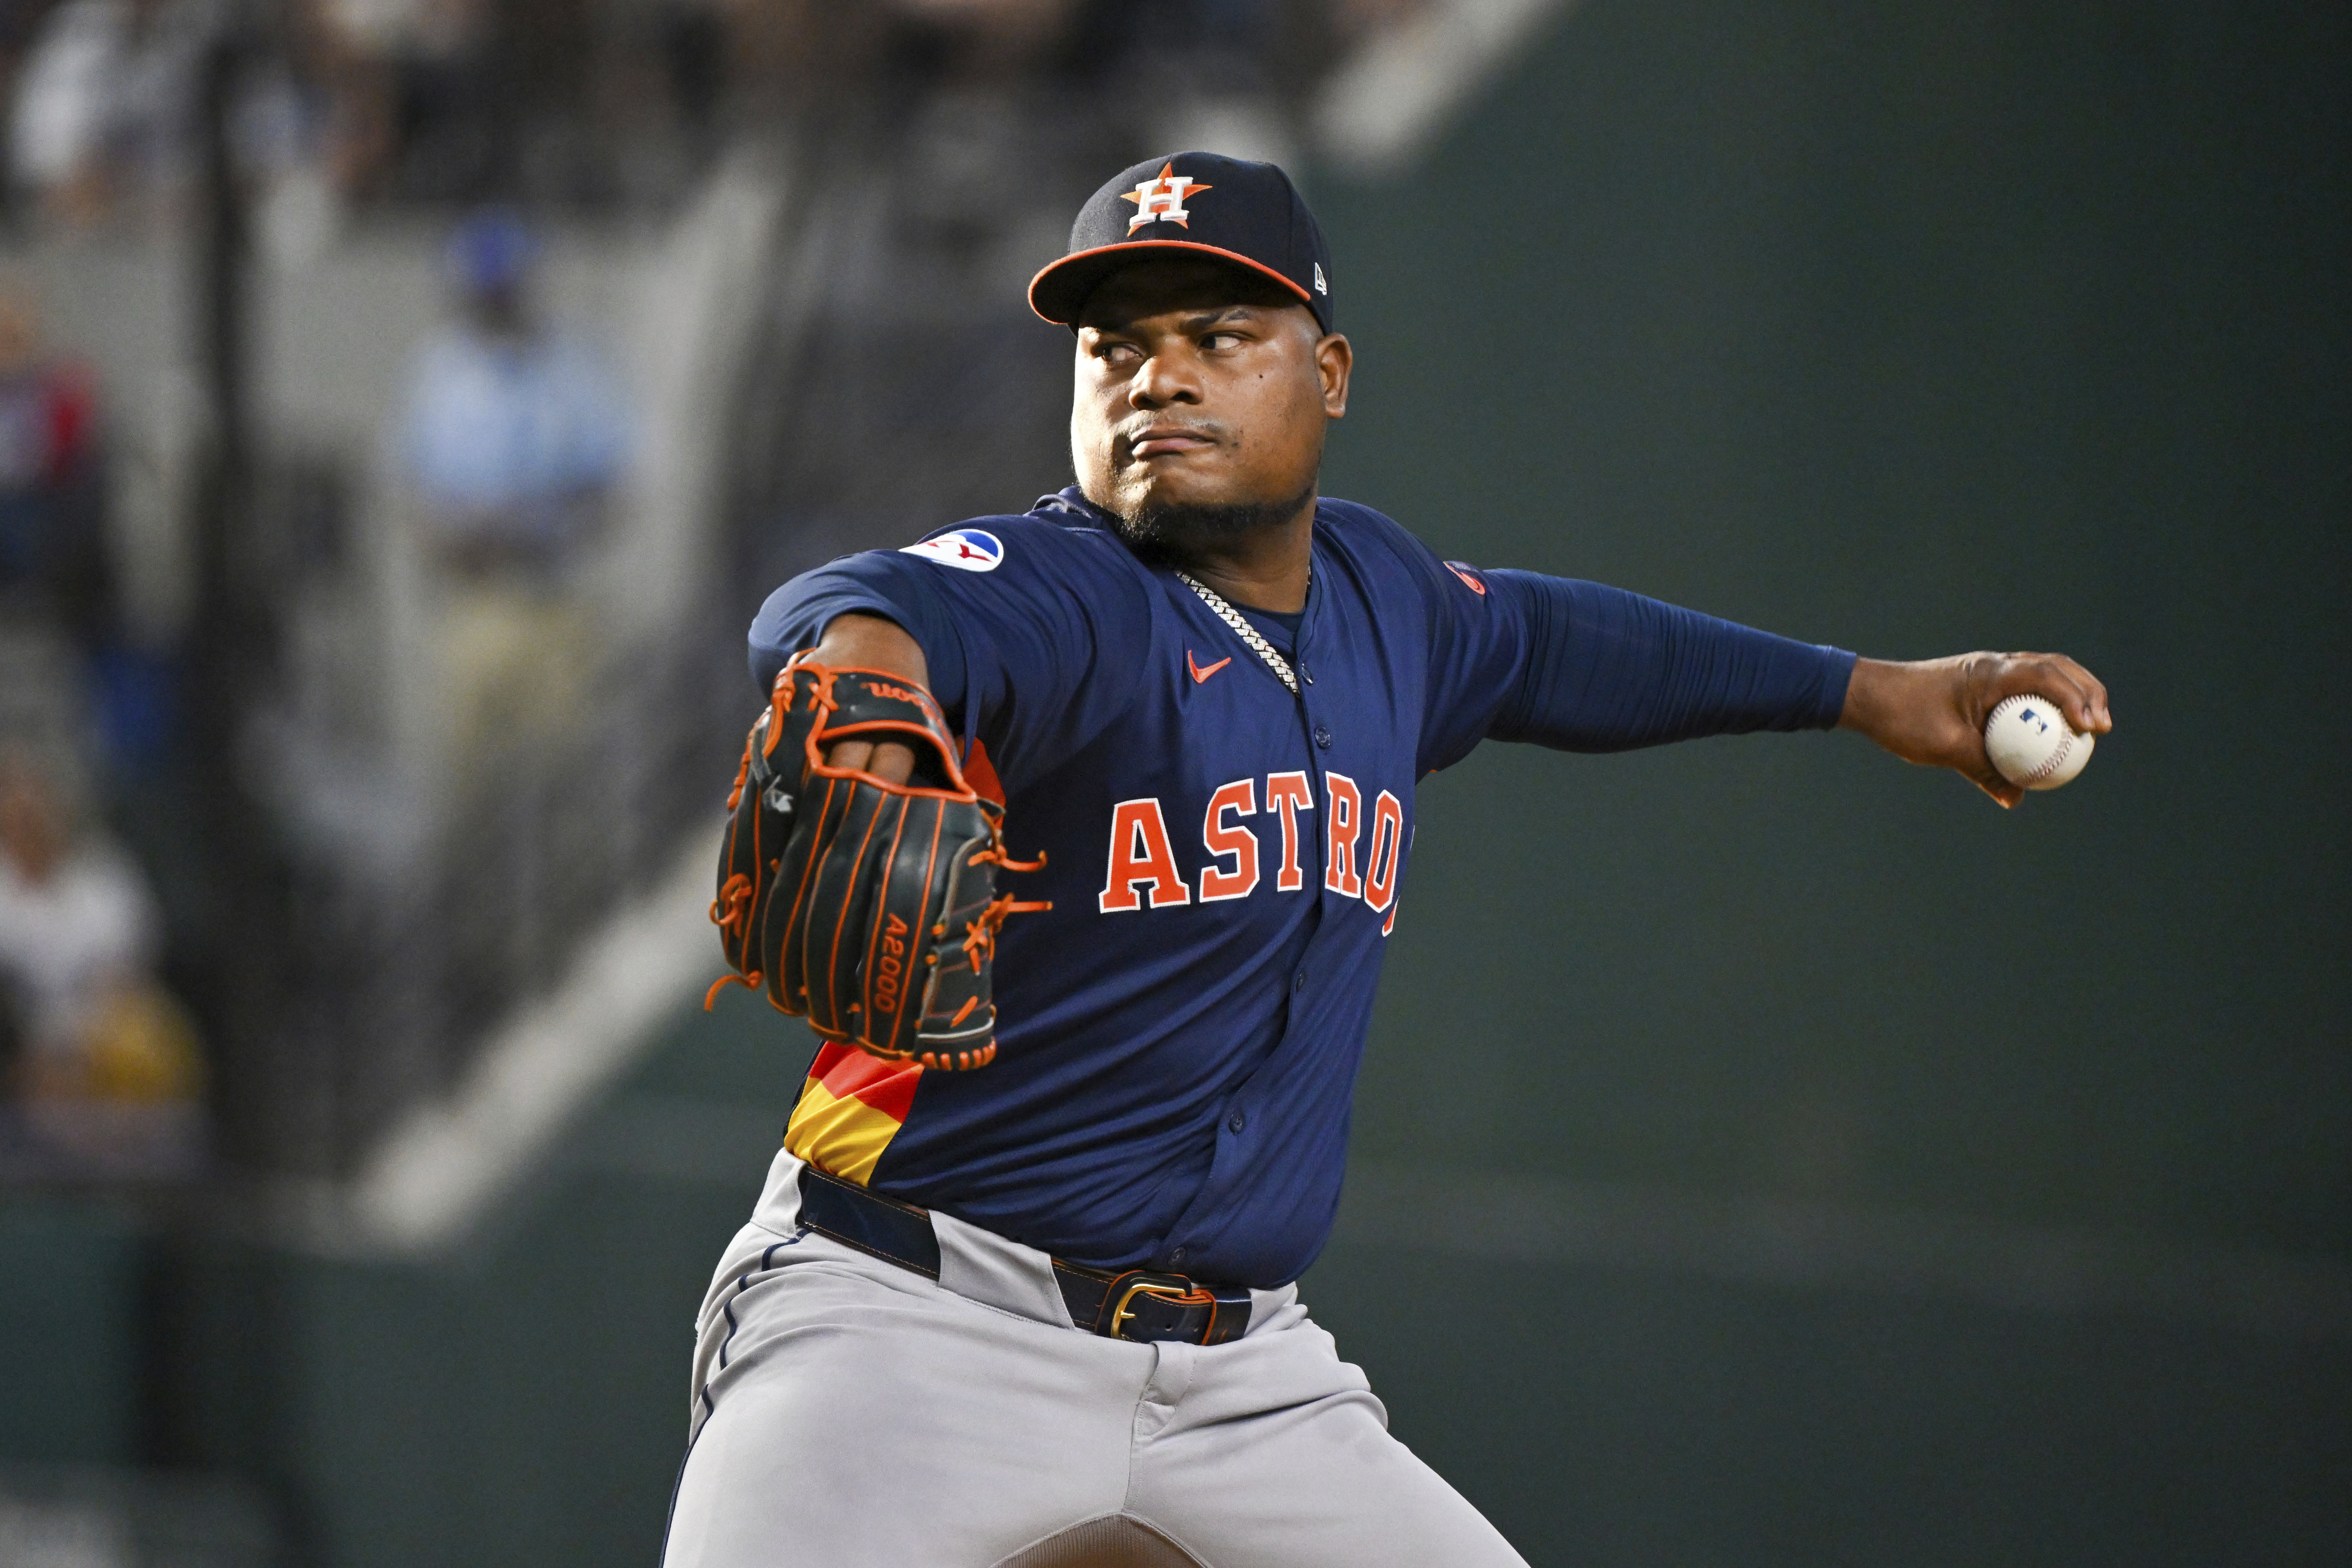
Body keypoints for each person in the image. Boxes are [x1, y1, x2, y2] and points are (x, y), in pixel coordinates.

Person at [662, 153, 2112, 1567]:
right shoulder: (1063, 592)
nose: (1156, 378)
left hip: (1243, 1382)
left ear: (1329, 372)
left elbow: (1555, 645)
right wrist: (867, 682)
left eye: (1218, 338)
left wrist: (1872, 691)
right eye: (1114, 349)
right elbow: (860, 601)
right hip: (912, 1326)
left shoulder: (1384, 601)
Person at [392, 206, 629, 779]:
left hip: (556, 597)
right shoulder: (442, 374)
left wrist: (542, 521)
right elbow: (412, 493)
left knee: (562, 774)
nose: (495, 301)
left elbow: (611, 485)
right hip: (476, 601)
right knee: (472, 778)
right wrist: (463, 532)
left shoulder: (570, 368)